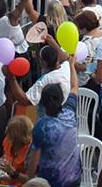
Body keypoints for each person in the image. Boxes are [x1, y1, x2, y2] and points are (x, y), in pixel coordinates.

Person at [29, 39, 82, 187]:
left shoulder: (42, 126)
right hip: (75, 176)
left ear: (42, 103)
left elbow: (35, 158)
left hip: (52, 181)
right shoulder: (70, 112)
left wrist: (29, 180)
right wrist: (71, 65)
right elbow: (74, 87)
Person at [0, 116, 34, 185]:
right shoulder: (7, 141)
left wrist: (13, 172)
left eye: (10, 134)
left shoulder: (32, 151)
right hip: (4, 183)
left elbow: (31, 180)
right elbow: (4, 157)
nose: (7, 135)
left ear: (18, 136)